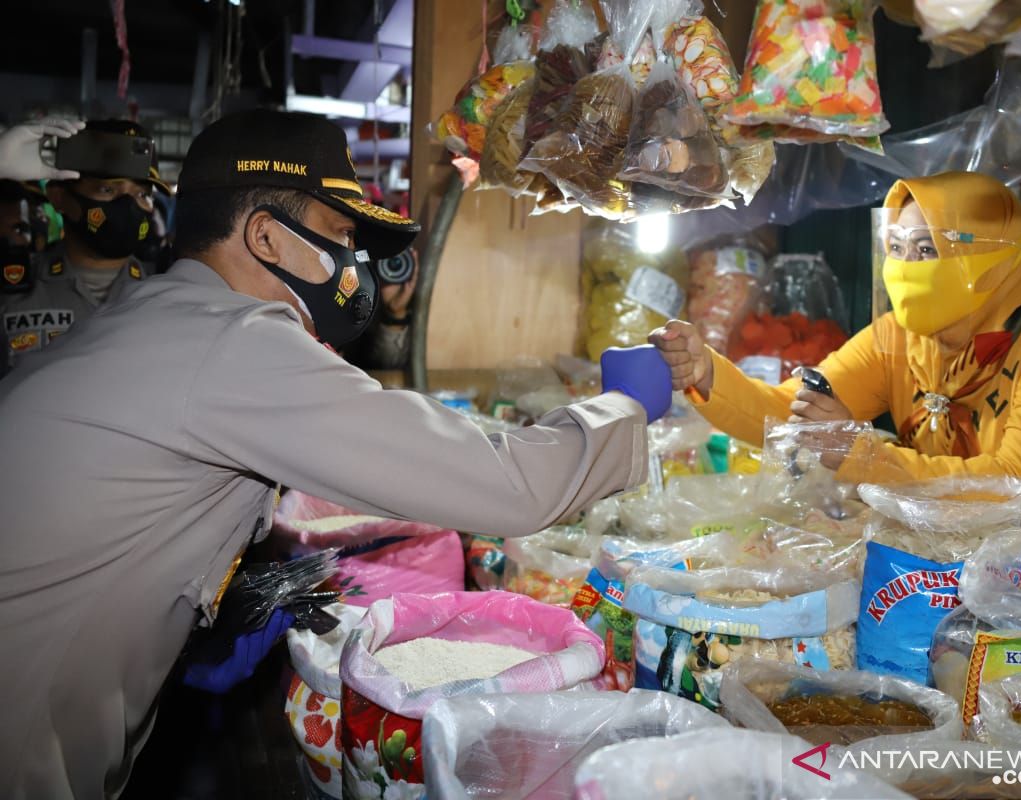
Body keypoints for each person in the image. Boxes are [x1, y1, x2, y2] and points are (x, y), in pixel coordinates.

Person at [0, 109, 670, 799]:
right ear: (264, 235)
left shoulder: (158, 314)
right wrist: (628, 406)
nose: (352, 265)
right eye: (340, 237)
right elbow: (508, 484)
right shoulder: (233, 343)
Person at [652, 171, 1021, 482]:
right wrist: (706, 374)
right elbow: (790, 416)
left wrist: (862, 455)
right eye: (897, 249)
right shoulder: (900, 336)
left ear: (993, 257)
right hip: (959, 565)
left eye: (927, 251)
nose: (904, 268)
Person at [0, 119, 171, 374]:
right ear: (59, 197)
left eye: (142, 195)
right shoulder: (13, 288)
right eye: (107, 189)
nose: (127, 205)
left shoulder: (166, 294)